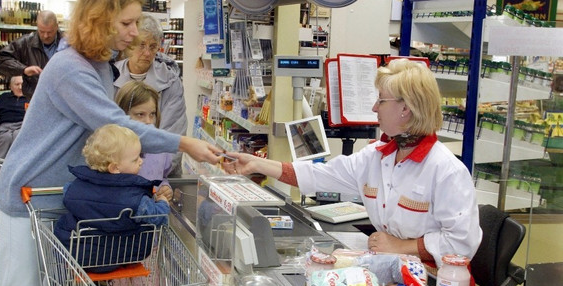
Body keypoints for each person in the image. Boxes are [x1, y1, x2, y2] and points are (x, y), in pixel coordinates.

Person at [0, 0, 222, 286]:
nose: (133, 31)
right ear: (99, 21)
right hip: (26, 197)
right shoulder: (69, 68)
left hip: (61, 198)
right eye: (126, 23)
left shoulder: (99, 66)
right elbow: (114, 125)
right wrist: (183, 141)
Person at [223, 58, 482, 268]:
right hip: (394, 266)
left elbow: (462, 243)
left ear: (406, 108)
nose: (373, 107)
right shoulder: (378, 156)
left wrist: (400, 246)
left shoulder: (446, 170)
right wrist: (256, 164)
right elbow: (319, 175)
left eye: (381, 100)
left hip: (438, 284)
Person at [54, 124, 169, 273]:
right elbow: (158, 217)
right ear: (115, 168)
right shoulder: (136, 200)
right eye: (135, 159)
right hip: (124, 255)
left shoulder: (73, 188)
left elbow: (68, 195)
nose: (141, 161)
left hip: (79, 254)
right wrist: (163, 203)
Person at [114, 14, 187, 176]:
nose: (147, 53)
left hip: (162, 176)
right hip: (117, 173)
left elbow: (173, 135)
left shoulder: (170, 82)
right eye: (141, 45)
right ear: (130, 46)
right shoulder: (111, 75)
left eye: (153, 46)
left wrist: (151, 174)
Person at [114, 80, 173, 201]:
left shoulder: (161, 149)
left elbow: (162, 177)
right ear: (122, 114)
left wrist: (165, 187)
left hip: (151, 216)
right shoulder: (111, 149)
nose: (148, 121)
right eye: (140, 114)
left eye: (152, 114)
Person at [0, 10, 63, 99]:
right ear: (37, 26)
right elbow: (0, 61)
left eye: (50, 32)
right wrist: (23, 69)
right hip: (36, 100)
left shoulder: (69, 44)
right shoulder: (25, 43)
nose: (45, 36)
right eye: (41, 31)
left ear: (57, 26)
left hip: (62, 100)